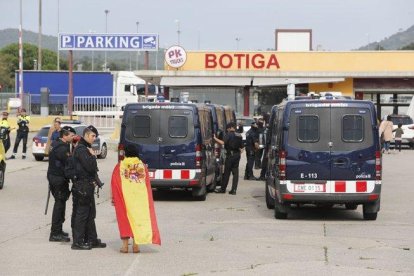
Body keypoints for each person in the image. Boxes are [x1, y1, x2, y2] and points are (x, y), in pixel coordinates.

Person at [111, 145, 161, 253]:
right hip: (139, 199)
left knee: (124, 220)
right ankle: (136, 245)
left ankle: (125, 246)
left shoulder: (119, 166)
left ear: (125, 153)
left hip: (124, 199)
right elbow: (147, 184)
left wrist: (114, 198)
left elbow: (114, 184)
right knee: (137, 220)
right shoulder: (142, 166)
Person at [71, 125, 106, 250]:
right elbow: (90, 167)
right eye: (92, 136)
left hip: (87, 185)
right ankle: (78, 242)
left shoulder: (85, 148)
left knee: (90, 214)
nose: (94, 138)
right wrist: (92, 156)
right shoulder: (81, 149)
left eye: (95, 136)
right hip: (82, 186)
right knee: (82, 214)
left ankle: (92, 239)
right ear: (86, 136)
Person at [47, 126, 76, 242]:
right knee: (59, 205)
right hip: (58, 178)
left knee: (61, 204)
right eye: (71, 135)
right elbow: (69, 162)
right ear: (65, 136)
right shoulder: (61, 148)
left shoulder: (57, 143)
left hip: (56, 177)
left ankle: (58, 230)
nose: (73, 137)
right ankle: (55, 233)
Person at [214, 122, 244, 195]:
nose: (227, 130)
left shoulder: (228, 134)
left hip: (230, 156)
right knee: (235, 173)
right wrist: (238, 153)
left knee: (226, 173)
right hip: (237, 155)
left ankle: (223, 189)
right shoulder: (239, 135)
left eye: (227, 129)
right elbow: (242, 148)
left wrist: (215, 138)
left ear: (230, 128)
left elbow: (223, 142)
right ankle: (233, 190)